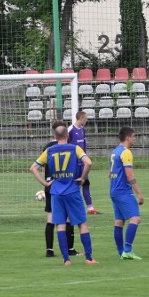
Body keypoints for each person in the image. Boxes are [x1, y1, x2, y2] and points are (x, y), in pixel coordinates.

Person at [31, 124, 96, 265]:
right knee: (82, 224)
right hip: (72, 190)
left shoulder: (49, 150)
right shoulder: (74, 148)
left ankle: (66, 260)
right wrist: (83, 178)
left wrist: (46, 183)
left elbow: (33, 168)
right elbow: (88, 163)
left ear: (55, 137)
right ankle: (89, 258)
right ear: (68, 136)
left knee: (60, 224)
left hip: (56, 192)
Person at [41, 120, 77, 258]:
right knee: (68, 218)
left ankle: (49, 250)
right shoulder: (68, 147)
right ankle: (70, 249)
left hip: (50, 186)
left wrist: (45, 181)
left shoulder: (47, 147)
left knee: (50, 219)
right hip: (64, 186)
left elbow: (41, 165)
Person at [109, 126, 146, 260]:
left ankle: (121, 252)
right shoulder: (126, 152)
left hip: (113, 190)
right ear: (128, 138)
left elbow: (110, 173)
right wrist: (139, 193)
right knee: (135, 218)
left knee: (119, 222)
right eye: (134, 136)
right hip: (123, 191)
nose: (135, 139)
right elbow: (129, 175)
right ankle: (128, 250)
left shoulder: (115, 151)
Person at [68, 111, 99, 214]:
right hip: (73, 163)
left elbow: (83, 145)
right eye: (85, 118)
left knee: (86, 183)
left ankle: (90, 208)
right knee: (74, 184)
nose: (87, 120)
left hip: (82, 163)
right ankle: (73, 208)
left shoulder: (82, 129)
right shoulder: (70, 130)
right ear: (81, 118)